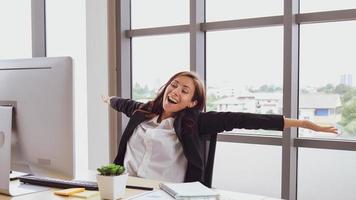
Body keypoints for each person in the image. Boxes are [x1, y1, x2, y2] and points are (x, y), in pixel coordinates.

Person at [101, 71, 337, 185]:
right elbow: (121, 103)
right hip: (127, 188)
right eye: (174, 86)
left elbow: (245, 118)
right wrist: (108, 98)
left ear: (192, 102)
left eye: (184, 91)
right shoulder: (142, 112)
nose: (175, 92)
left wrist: (304, 123)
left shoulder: (195, 123)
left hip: (165, 194)